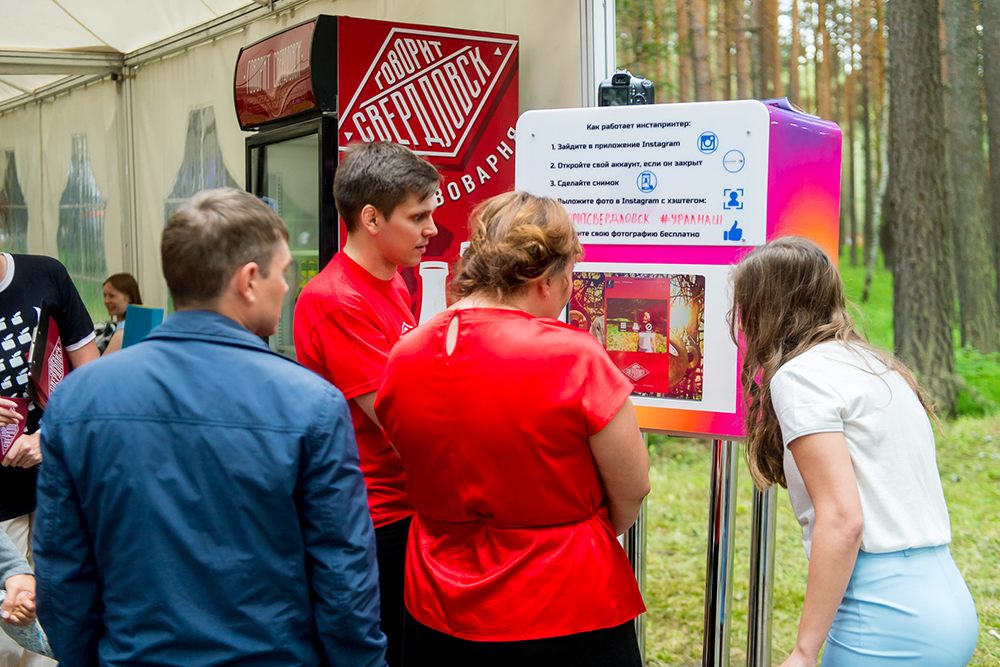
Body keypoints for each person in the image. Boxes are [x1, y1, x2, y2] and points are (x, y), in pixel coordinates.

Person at [34, 188, 387, 667]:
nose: (288, 287)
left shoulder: (77, 400)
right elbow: (342, 574)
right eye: (282, 273)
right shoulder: (311, 405)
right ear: (248, 280)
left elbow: (61, 570)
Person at [375, 191, 650, 667]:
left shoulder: (405, 354)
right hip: (566, 603)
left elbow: (409, 453)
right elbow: (632, 486)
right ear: (546, 278)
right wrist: (578, 530)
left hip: (440, 601)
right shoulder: (573, 355)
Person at [730, 236, 978, 667]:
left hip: (884, 612)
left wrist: (805, 651)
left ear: (762, 308)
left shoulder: (800, 377)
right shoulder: (877, 365)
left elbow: (843, 520)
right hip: (944, 594)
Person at [294, 141, 439, 666]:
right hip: (373, 519)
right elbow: (397, 416)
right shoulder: (337, 300)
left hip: (405, 505)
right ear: (372, 217)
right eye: (418, 216)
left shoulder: (393, 280)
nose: (432, 229)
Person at [0, 221, 98, 667]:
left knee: (61, 613)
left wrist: (49, 437)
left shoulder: (45, 275)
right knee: (10, 625)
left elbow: (92, 383)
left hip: (57, 476)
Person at [96, 272, 142, 355]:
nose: (106, 301)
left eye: (112, 296)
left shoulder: (125, 330)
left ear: (130, 298)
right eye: (104, 295)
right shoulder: (110, 326)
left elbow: (101, 365)